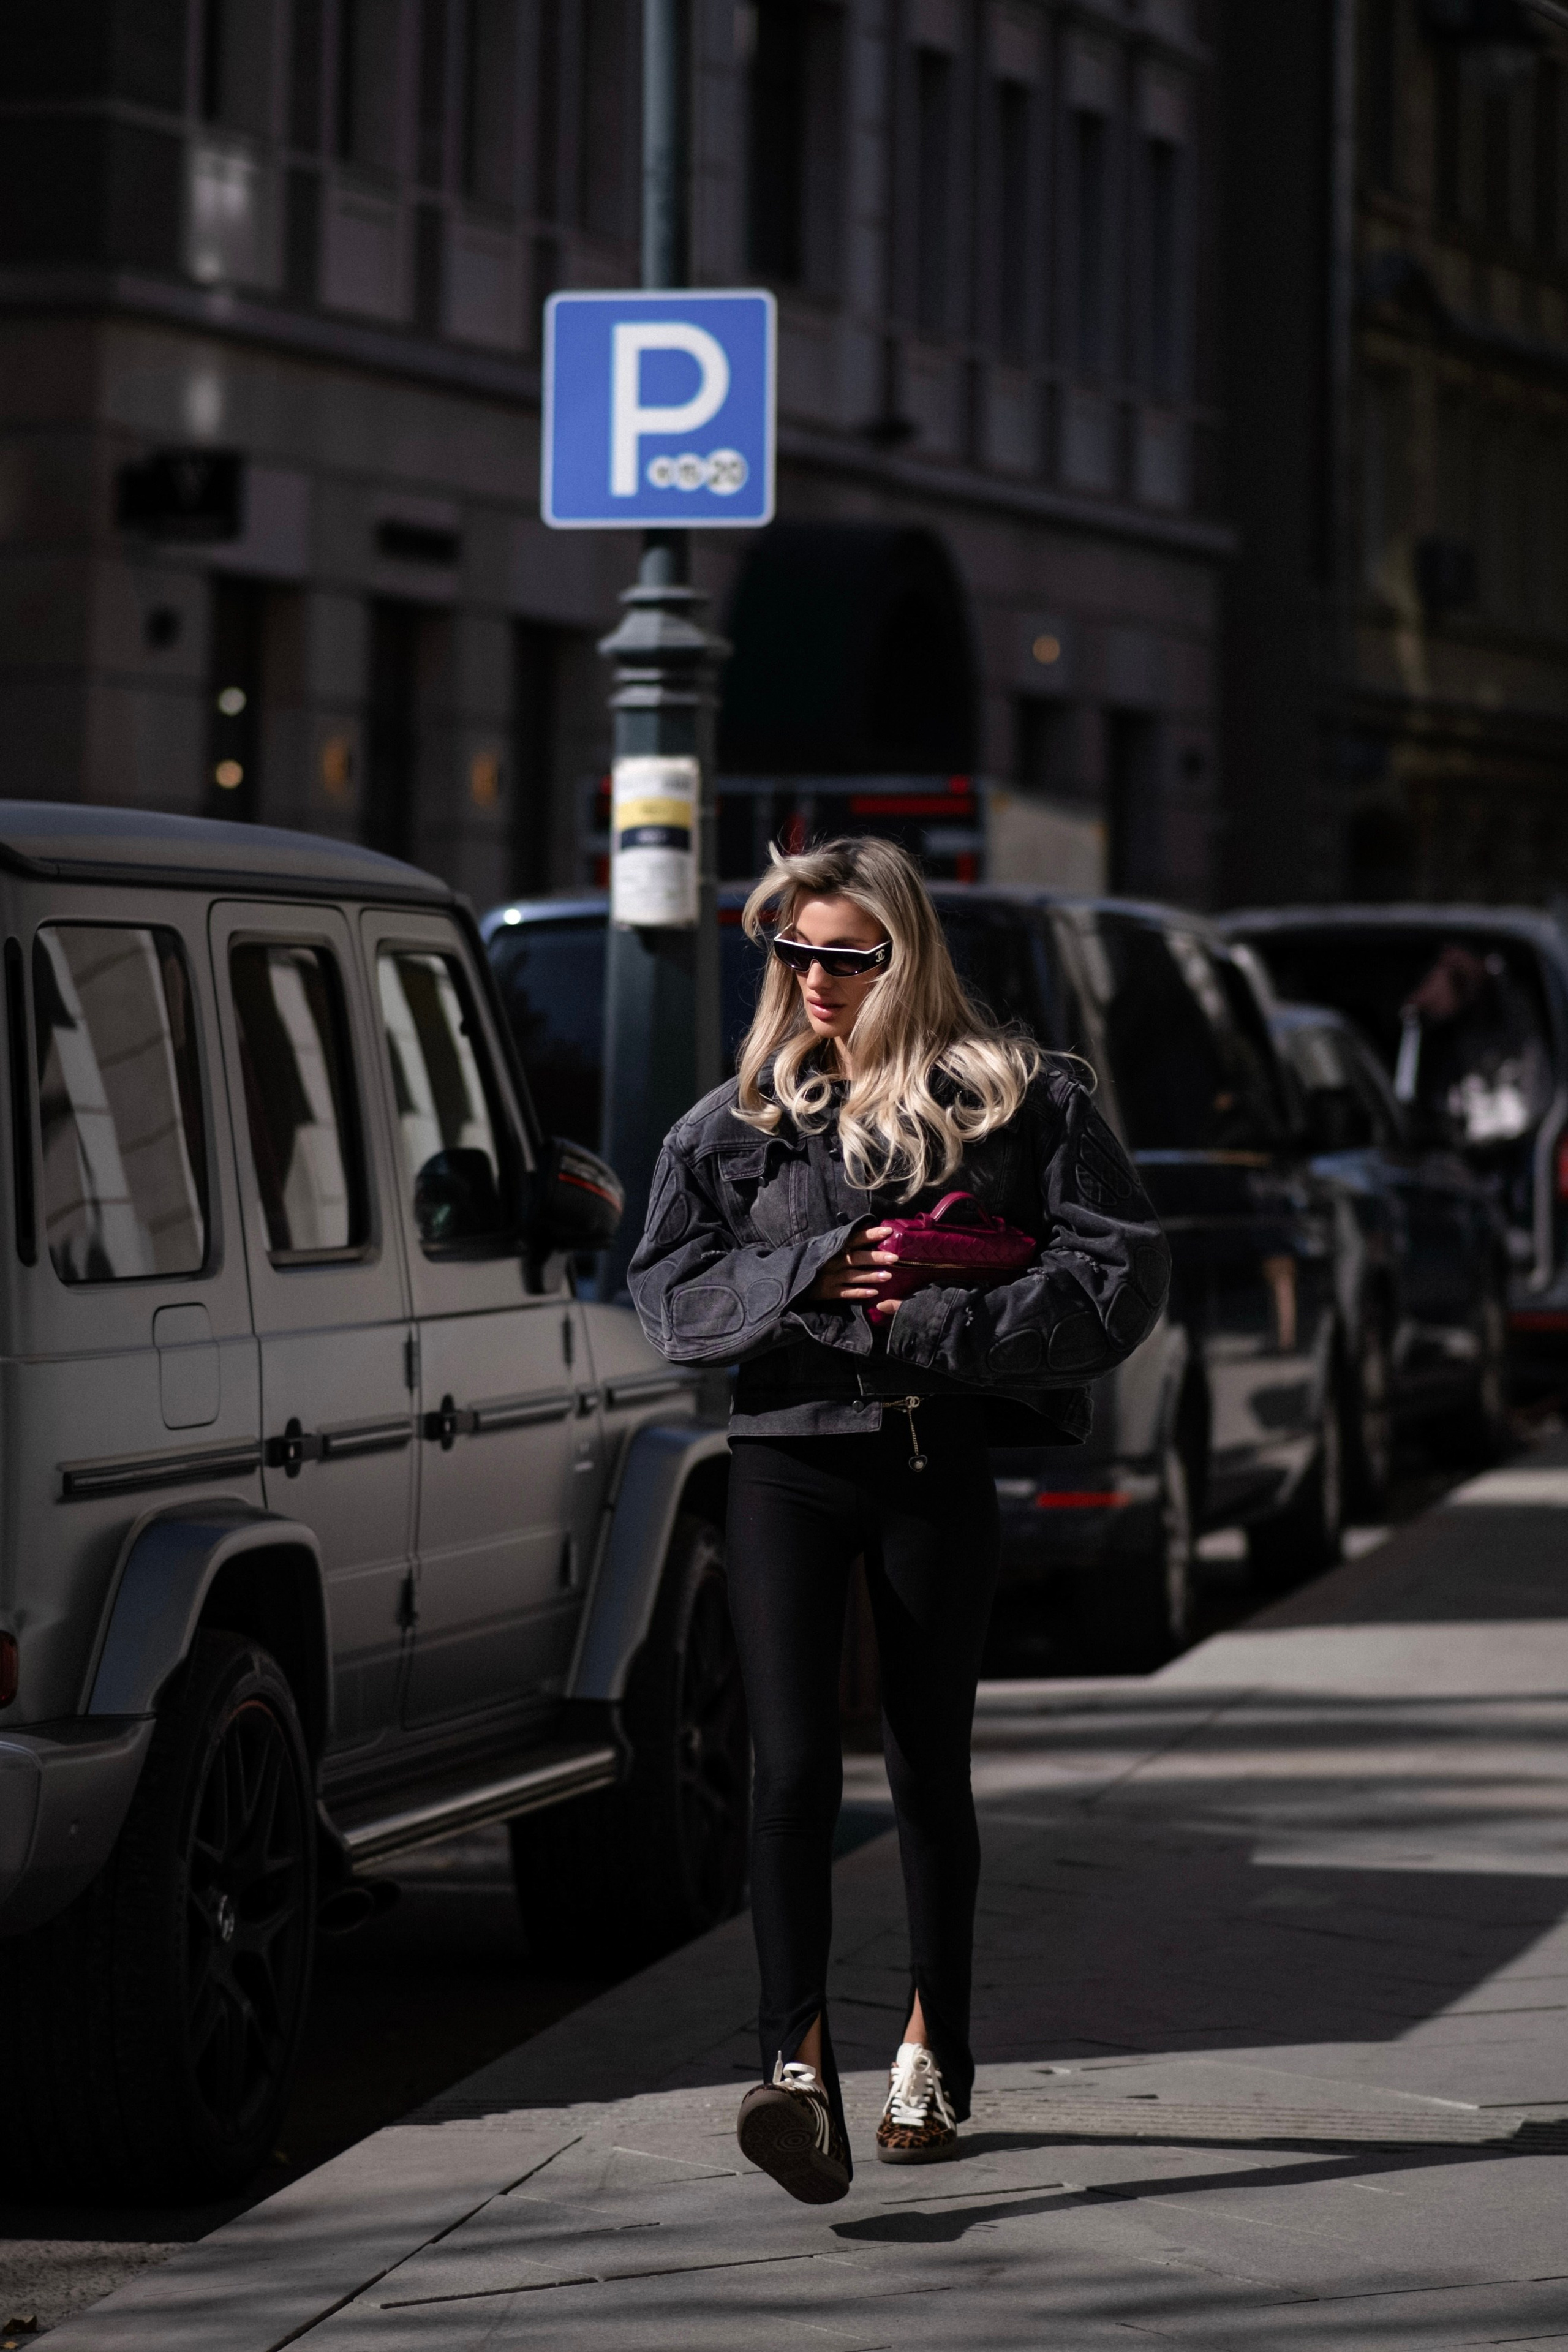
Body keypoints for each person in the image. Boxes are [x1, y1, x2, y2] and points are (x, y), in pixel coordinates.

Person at [628, 836, 1170, 2204]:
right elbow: (667, 1291)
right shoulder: (735, 1119)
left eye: (845, 956)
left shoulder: (1015, 1098)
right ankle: (793, 2069)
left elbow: (1117, 1275)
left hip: (933, 1460)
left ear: (903, 955)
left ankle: (933, 2049)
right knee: (792, 1769)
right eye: (793, 951)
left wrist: (927, 1317)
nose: (813, 978)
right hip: (783, 1465)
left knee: (929, 1765)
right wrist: (818, 1269)